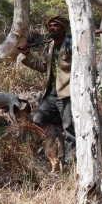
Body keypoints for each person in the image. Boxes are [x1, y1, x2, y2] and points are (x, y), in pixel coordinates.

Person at [18, 16, 75, 161]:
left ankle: (70, 160)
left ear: (63, 28)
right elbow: (43, 67)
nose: (52, 28)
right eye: (50, 26)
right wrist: (27, 55)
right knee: (38, 121)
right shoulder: (49, 46)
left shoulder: (71, 45)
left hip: (67, 94)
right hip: (51, 94)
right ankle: (47, 153)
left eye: (55, 25)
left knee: (69, 128)